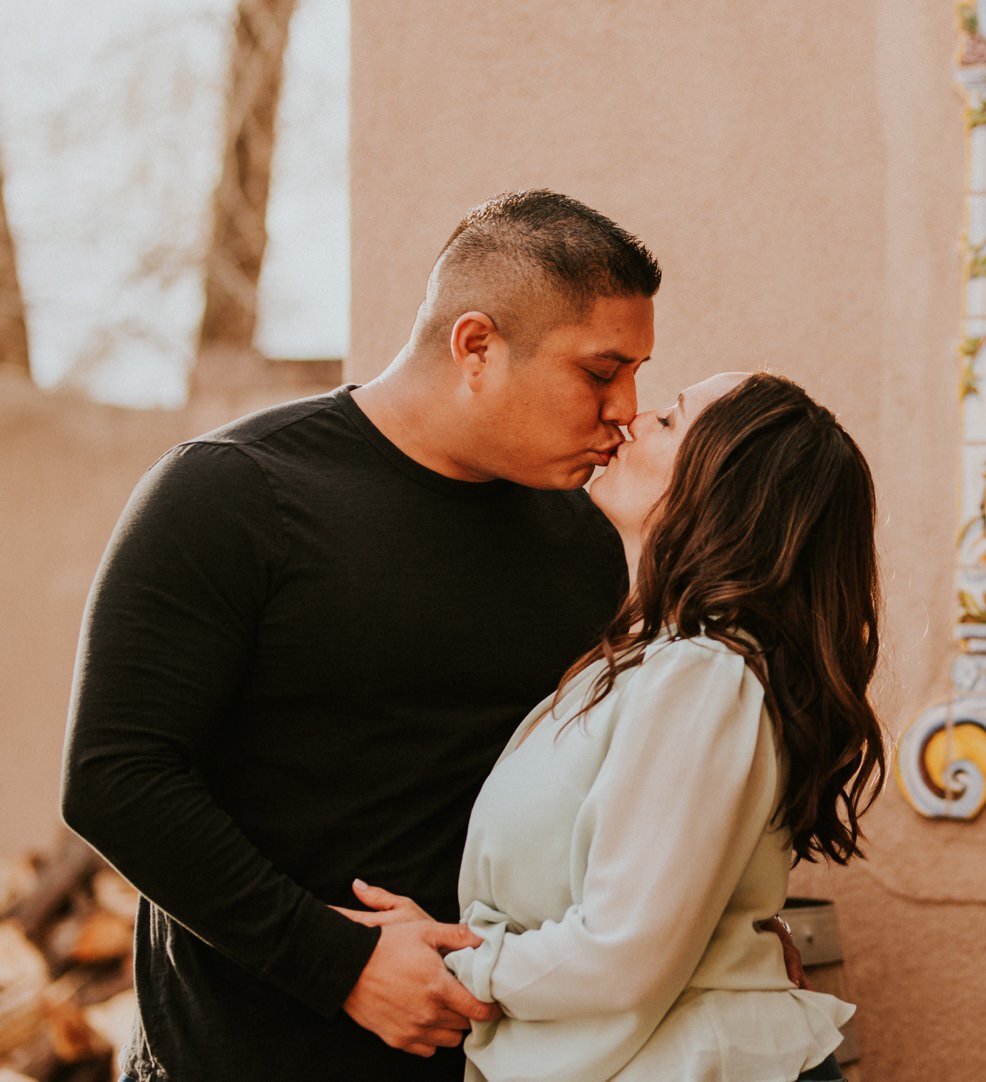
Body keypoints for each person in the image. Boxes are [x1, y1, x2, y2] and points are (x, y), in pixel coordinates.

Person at [63, 190, 662, 1080]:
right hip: (240, 1059)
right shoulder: (232, 493)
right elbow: (116, 779)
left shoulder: (585, 539)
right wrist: (339, 965)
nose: (626, 408)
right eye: (600, 373)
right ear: (477, 347)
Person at [343, 370, 884, 1081]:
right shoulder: (646, 662)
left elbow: (622, 953)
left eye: (669, 421)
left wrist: (446, 963)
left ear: (724, 493)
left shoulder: (700, 673)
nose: (634, 416)